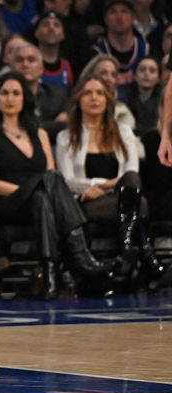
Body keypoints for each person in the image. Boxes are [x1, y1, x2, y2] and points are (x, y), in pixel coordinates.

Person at [0, 73, 106, 299]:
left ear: (25, 98)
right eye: (4, 93)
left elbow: (48, 179)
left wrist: (35, 192)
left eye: (16, 93)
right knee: (48, 181)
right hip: (6, 204)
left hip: (38, 204)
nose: (10, 98)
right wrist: (27, 191)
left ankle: (50, 270)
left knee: (44, 195)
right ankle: (80, 252)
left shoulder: (40, 133)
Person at [56, 76, 156, 280]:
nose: (94, 98)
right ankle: (143, 256)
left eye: (100, 93)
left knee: (132, 184)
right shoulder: (66, 137)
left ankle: (126, 250)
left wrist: (109, 185)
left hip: (121, 195)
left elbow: (131, 171)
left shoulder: (123, 132)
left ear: (107, 100)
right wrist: (99, 186)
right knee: (140, 204)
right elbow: (68, 180)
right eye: (88, 93)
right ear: (78, 100)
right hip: (87, 200)